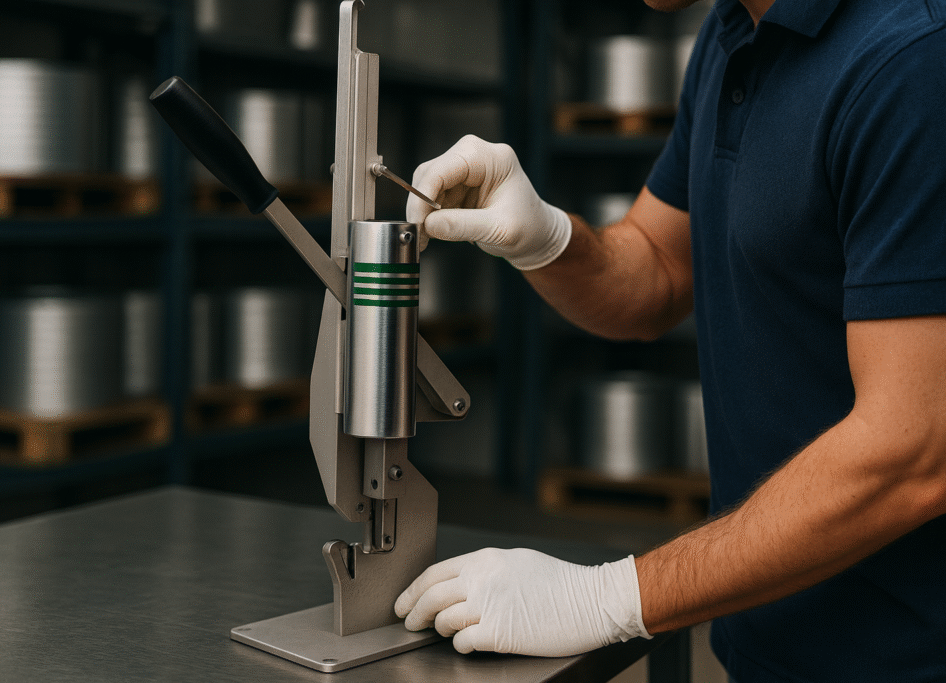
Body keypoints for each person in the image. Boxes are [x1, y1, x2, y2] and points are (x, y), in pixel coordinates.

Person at [392, 0, 946, 680]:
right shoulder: (728, 35)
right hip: (768, 641)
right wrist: (547, 241)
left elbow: (913, 453)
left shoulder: (913, 59)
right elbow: (658, 267)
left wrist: (609, 596)